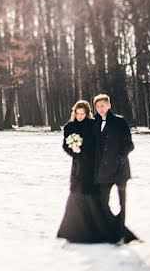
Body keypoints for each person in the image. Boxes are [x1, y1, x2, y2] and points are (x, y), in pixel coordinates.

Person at [56, 100, 137, 244]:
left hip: (92, 165)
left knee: (95, 198)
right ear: (74, 113)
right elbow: (65, 145)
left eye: (83, 114)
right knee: (76, 194)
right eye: (77, 113)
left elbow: (98, 143)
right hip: (78, 166)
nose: (80, 116)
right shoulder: (69, 127)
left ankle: (107, 231)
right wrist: (74, 151)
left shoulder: (92, 125)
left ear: (87, 114)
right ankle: (74, 231)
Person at [93, 94, 137, 242]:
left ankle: (121, 232)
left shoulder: (119, 121)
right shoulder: (94, 123)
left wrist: (119, 159)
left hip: (120, 170)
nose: (100, 109)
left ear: (109, 105)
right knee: (102, 202)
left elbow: (129, 145)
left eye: (103, 105)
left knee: (121, 203)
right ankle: (112, 229)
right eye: (98, 106)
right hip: (103, 171)